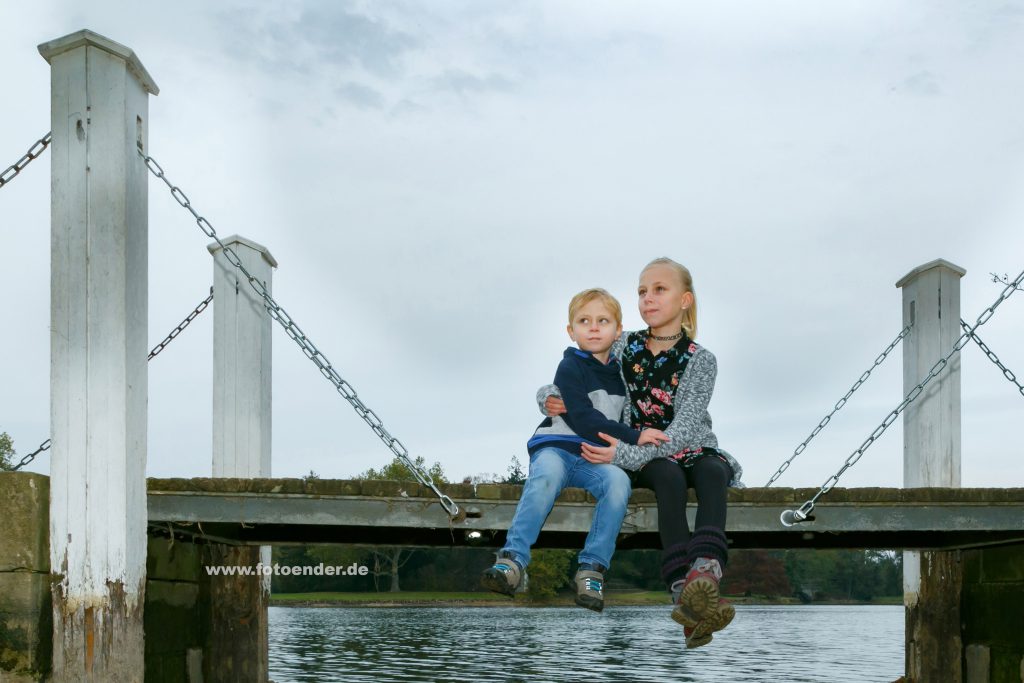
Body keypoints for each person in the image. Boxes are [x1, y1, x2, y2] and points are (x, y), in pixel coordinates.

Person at [541, 258, 743, 648]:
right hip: (643, 450)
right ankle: (682, 586)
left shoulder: (701, 359)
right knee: (666, 477)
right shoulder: (623, 344)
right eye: (641, 291)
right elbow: (573, 373)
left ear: (685, 300)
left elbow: (683, 428)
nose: (647, 298)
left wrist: (623, 457)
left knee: (713, 472)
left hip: (686, 444)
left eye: (659, 289)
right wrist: (548, 396)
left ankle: (706, 571)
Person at [481, 288, 669, 612]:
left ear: (617, 330)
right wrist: (635, 436)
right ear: (572, 331)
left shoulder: (626, 375)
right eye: (584, 321)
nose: (593, 328)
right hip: (558, 447)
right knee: (545, 478)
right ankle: (512, 561)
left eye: (602, 321)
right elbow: (583, 419)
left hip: (595, 458)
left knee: (618, 484)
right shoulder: (570, 366)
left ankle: (592, 570)